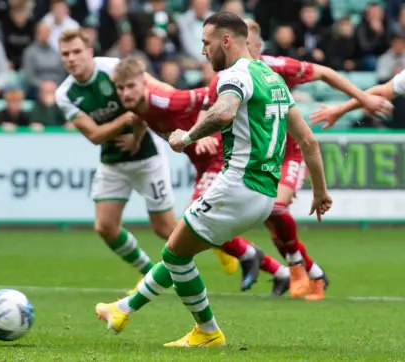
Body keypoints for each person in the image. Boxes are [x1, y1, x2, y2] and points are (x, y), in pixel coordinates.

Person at [95, 12, 332, 348]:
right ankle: (121, 310)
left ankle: (207, 331)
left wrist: (186, 137)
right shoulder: (273, 78)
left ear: (226, 40)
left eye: (206, 43)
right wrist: (320, 192)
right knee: (180, 248)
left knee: (175, 253)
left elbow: (223, 112)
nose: (203, 51)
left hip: (237, 185)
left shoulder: (235, 76)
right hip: (264, 197)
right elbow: (307, 140)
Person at [202, 19, 392, 300]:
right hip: (255, 157)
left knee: (275, 209)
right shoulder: (225, 77)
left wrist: (363, 98)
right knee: (267, 217)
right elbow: (209, 109)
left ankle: (295, 267)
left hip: (288, 152)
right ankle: (313, 272)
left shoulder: (273, 67)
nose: (254, 50)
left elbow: (325, 72)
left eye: (255, 44)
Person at [110, 56, 292, 295]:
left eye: (131, 86)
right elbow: (141, 118)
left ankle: (249, 255)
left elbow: (209, 93)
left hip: (218, 155)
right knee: (202, 226)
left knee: (192, 219)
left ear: (144, 83)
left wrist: (202, 129)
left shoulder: (165, 99)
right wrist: (135, 139)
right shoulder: (136, 108)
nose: (126, 93)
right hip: (201, 163)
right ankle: (280, 272)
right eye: (120, 88)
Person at [55, 28, 178, 294]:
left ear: (90, 52)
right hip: (112, 161)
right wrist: (128, 119)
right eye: (65, 54)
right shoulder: (65, 94)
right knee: (105, 226)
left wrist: (136, 135)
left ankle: (232, 250)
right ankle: (148, 272)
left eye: (77, 52)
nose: (71, 58)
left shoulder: (112, 68)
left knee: (166, 229)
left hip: (147, 157)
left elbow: (151, 94)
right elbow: (95, 135)